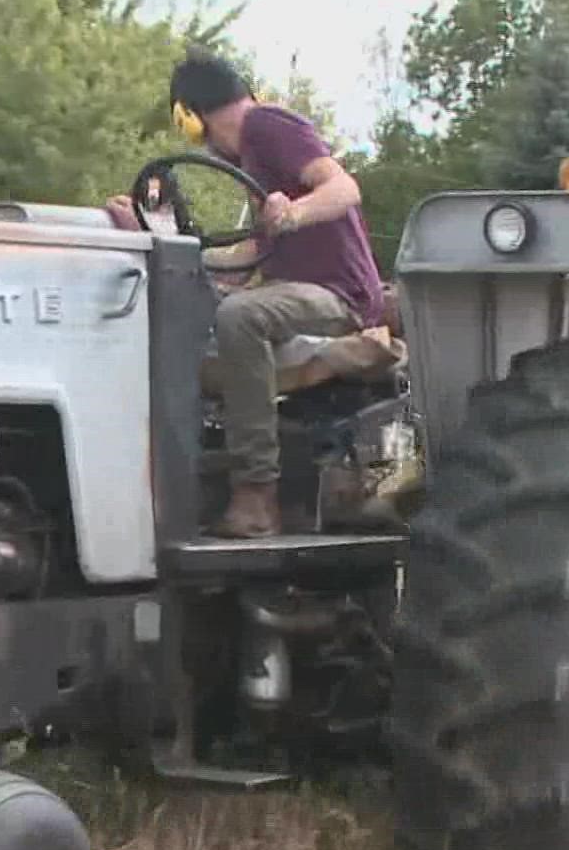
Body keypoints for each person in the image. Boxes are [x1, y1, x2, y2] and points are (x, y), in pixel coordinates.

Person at [105, 50, 385, 538]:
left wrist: (296, 212)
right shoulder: (252, 162)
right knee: (210, 313)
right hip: (288, 293)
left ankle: (256, 495)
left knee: (240, 317)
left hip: (340, 298)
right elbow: (240, 263)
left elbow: (344, 189)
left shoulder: (268, 125)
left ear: (189, 118)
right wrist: (155, 238)